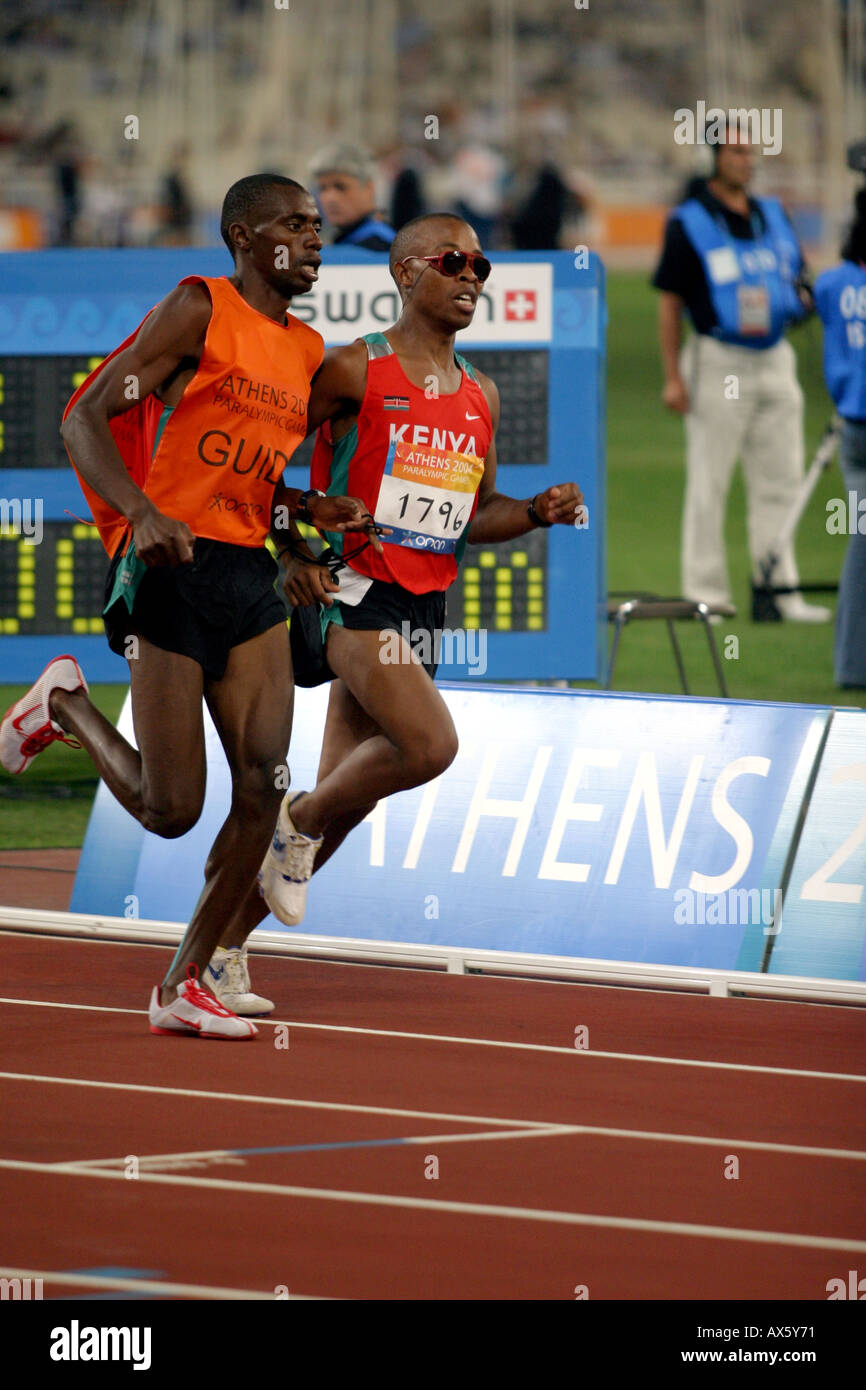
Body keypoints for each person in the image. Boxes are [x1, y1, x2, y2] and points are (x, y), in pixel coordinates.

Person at [0, 174, 377, 1039]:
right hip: (167, 570)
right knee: (171, 811)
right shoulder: (197, 309)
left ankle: (185, 981)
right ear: (244, 237)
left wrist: (301, 518)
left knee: (264, 783)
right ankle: (62, 704)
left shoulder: (306, 348)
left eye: (319, 226)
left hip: (249, 580)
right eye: (295, 225)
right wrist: (139, 512)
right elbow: (84, 420)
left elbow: (255, 479)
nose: (314, 239)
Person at [236, 212, 584, 939]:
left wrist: (534, 511)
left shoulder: (480, 394)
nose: (470, 279)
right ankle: (291, 820)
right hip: (353, 591)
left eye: (480, 269)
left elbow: (475, 512)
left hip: (426, 604)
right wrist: (292, 548)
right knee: (429, 745)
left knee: (347, 802)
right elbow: (257, 464)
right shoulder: (355, 368)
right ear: (406, 273)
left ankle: (220, 952)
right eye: (453, 263)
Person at [653, 124, 829, 622]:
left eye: (750, 151)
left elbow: (799, 274)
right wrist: (673, 375)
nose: (746, 160)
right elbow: (670, 302)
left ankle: (778, 588)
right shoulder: (688, 222)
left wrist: (801, 297)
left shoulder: (773, 215)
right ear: (713, 157)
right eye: (735, 151)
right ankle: (705, 595)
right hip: (718, 357)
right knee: (710, 482)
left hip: (775, 355)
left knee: (781, 480)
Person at [814, 187, 866, 688]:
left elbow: (812, 308)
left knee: (862, 538)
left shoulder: (832, 284)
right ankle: (851, 665)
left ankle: (852, 663)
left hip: (852, 430)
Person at [309, 143, 395, 252]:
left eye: (340, 187)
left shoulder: (379, 245)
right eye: (322, 188)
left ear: (369, 188)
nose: (330, 198)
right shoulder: (346, 239)